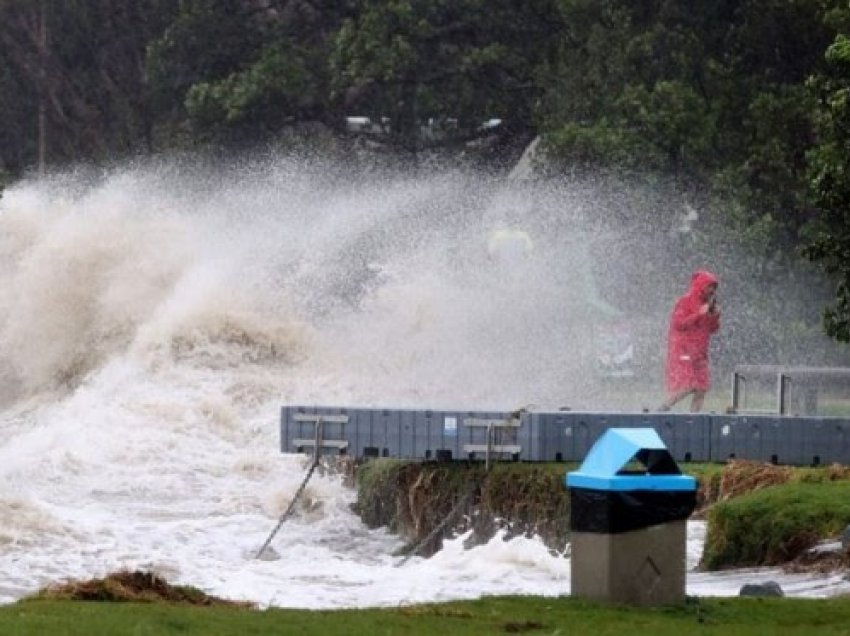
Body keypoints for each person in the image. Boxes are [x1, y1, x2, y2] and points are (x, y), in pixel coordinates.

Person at [659, 269, 721, 412]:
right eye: (709, 287)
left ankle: (693, 420)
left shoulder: (707, 305)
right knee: (689, 385)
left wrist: (715, 316)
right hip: (684, 351)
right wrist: (698, 314)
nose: (711, 291)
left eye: (713, 288)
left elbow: (713, 329)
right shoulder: (685, 301)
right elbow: (678, 323)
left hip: (700, 353)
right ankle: (664, 407)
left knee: (701, 388)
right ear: (701, 286)